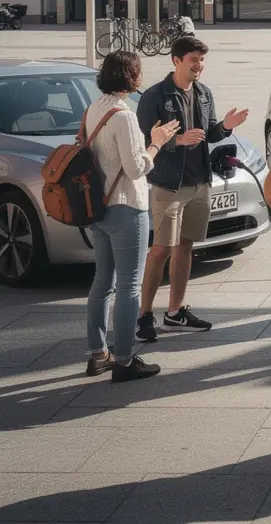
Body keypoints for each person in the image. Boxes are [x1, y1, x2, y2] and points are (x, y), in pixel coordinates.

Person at [135, 36, 248, 341]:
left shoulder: (204, 93)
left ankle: (174, 313)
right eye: (193, 60)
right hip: (169, 185)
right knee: (160, 250)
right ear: (176, 60)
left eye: (201, 60)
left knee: (186, 247)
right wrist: (177, 141)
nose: (199, 66)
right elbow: (146, 139)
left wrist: (226, 126)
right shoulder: (156, 96)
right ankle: (144, 316)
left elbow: (209, 134)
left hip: (200, 183)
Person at [84, 52, 179, 382]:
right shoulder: (123, 116)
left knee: (102, 281)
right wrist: (156, 143)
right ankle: (124, 361)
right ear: (131, 77)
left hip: (99, 207)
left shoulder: (94, 108)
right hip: (126, 206)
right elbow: (137, 168)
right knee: (128, 287)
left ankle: (98, 354)